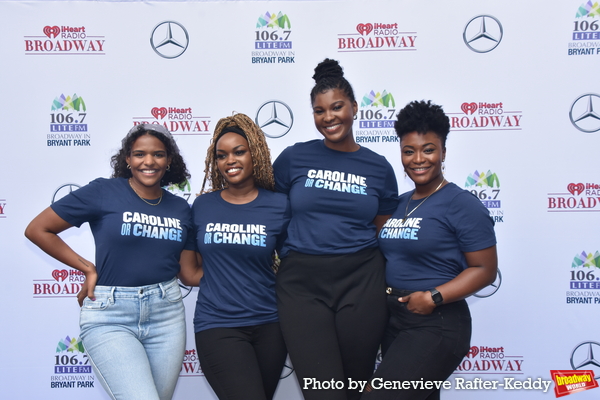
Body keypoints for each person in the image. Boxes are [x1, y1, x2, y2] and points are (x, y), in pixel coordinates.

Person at [24, 124, 194, 400]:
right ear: (127, 159)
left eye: (158, 155)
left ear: (169, 160)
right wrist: (86, 267)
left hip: (167, 316)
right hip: (111, 315)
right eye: (139, 154)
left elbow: (188, 272)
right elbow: (38, 229)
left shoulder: (180, 208)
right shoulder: (104, 191)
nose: (148, 161)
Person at [273, 59, 399, 400]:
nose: (328, 117)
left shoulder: (378, 167)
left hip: (362, 280)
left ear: (355, 108)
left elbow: (383, 229)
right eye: (319, 110)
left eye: (337, 107)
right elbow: (271, 212)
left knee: (356, 387)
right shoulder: (293, 158)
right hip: (301, 282)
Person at [361, 100, 498, 400]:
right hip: (396, 320)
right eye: (409, 151)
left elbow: (485, 270)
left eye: (429, 149)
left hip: (437, 322)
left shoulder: (461, 204)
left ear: (444, 152)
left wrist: (434, 297)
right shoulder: (398, 203)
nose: (418, 159)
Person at [178, 113, 290, 400]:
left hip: (271, 326)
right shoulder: (202, 206)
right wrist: (224, 277)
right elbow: (189, 272)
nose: (230, 161)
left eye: (239, 152)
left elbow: (293, 265)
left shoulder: (279, 205)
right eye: (222, 155)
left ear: (256, 154)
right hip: (218, 326)